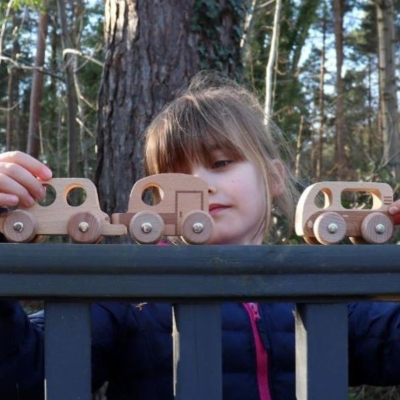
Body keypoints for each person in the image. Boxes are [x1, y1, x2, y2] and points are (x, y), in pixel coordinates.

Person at [2, 72, 400, 400]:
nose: (201, 184)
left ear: (275, 178)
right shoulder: (131, 295)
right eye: (175, 174)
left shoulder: (319, 291)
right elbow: (27, 370)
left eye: (221, 162)